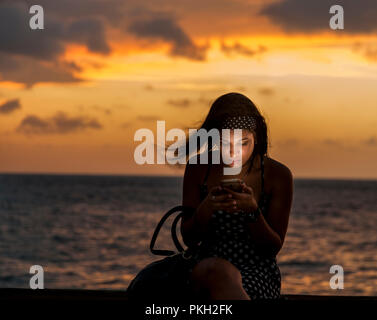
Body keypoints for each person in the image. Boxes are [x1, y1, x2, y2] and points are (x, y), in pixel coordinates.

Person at [180, 92, 293, 300]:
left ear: (256, 138)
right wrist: (206, 209)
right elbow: (189, 238)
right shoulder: (199, 168)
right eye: (225, 143)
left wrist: (252, 211)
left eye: (243, 143)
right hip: (204, 268)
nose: (234, 153)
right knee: (216, 272)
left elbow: (272, 248)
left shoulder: (278, 176)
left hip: (257, 272)